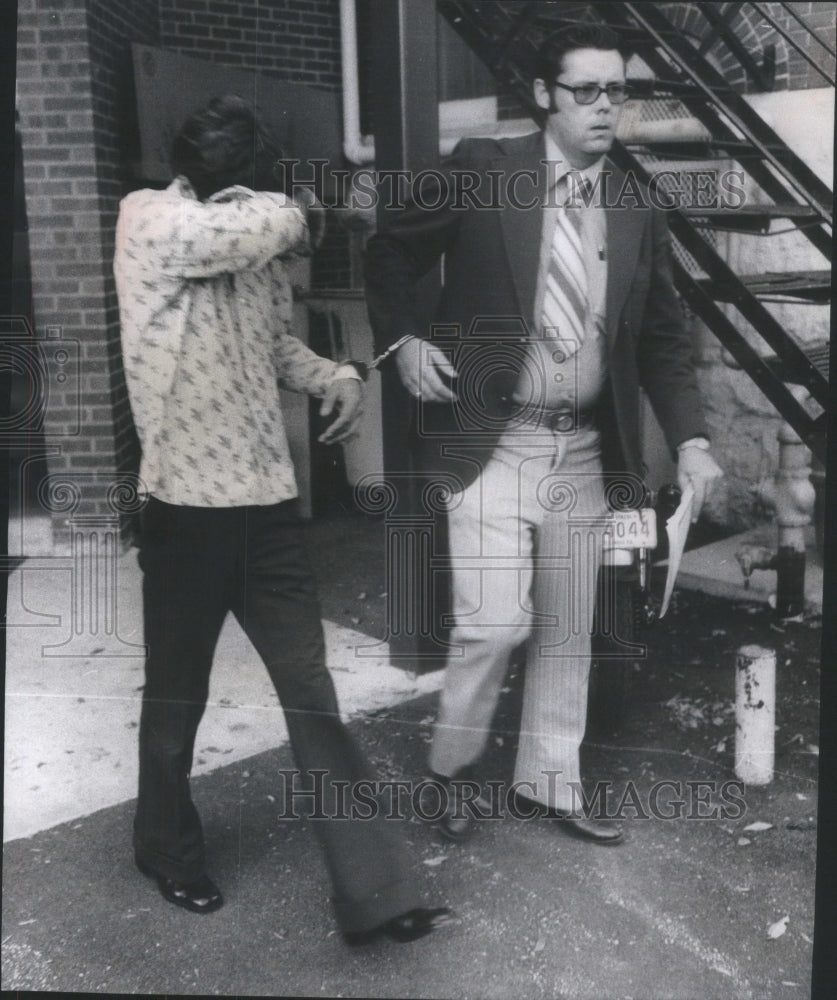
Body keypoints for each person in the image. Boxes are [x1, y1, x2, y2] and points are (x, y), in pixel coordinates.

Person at [364, 23, 723, 844]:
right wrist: (404, 338)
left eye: (617, 92)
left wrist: (692, 439)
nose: (606, 109)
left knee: (568, 628)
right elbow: (387, 253)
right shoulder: (483, 173)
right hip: (493, 445)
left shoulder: (634, 206)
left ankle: (547, 784)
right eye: (586, 91)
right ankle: (449, 772)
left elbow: (663, 337)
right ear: (543, 96)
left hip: (586, 451)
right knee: (493, 623)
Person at [114, 95, 455, 944]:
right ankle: (163, 847)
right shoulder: (149, 217)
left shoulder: (256, 235)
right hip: (184, 511)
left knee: (312, 695)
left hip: (266, 509)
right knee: (177, 697)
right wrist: (309, 205)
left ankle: (376, 889)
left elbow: (273, 349)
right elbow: (232, 237)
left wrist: (337, 373)